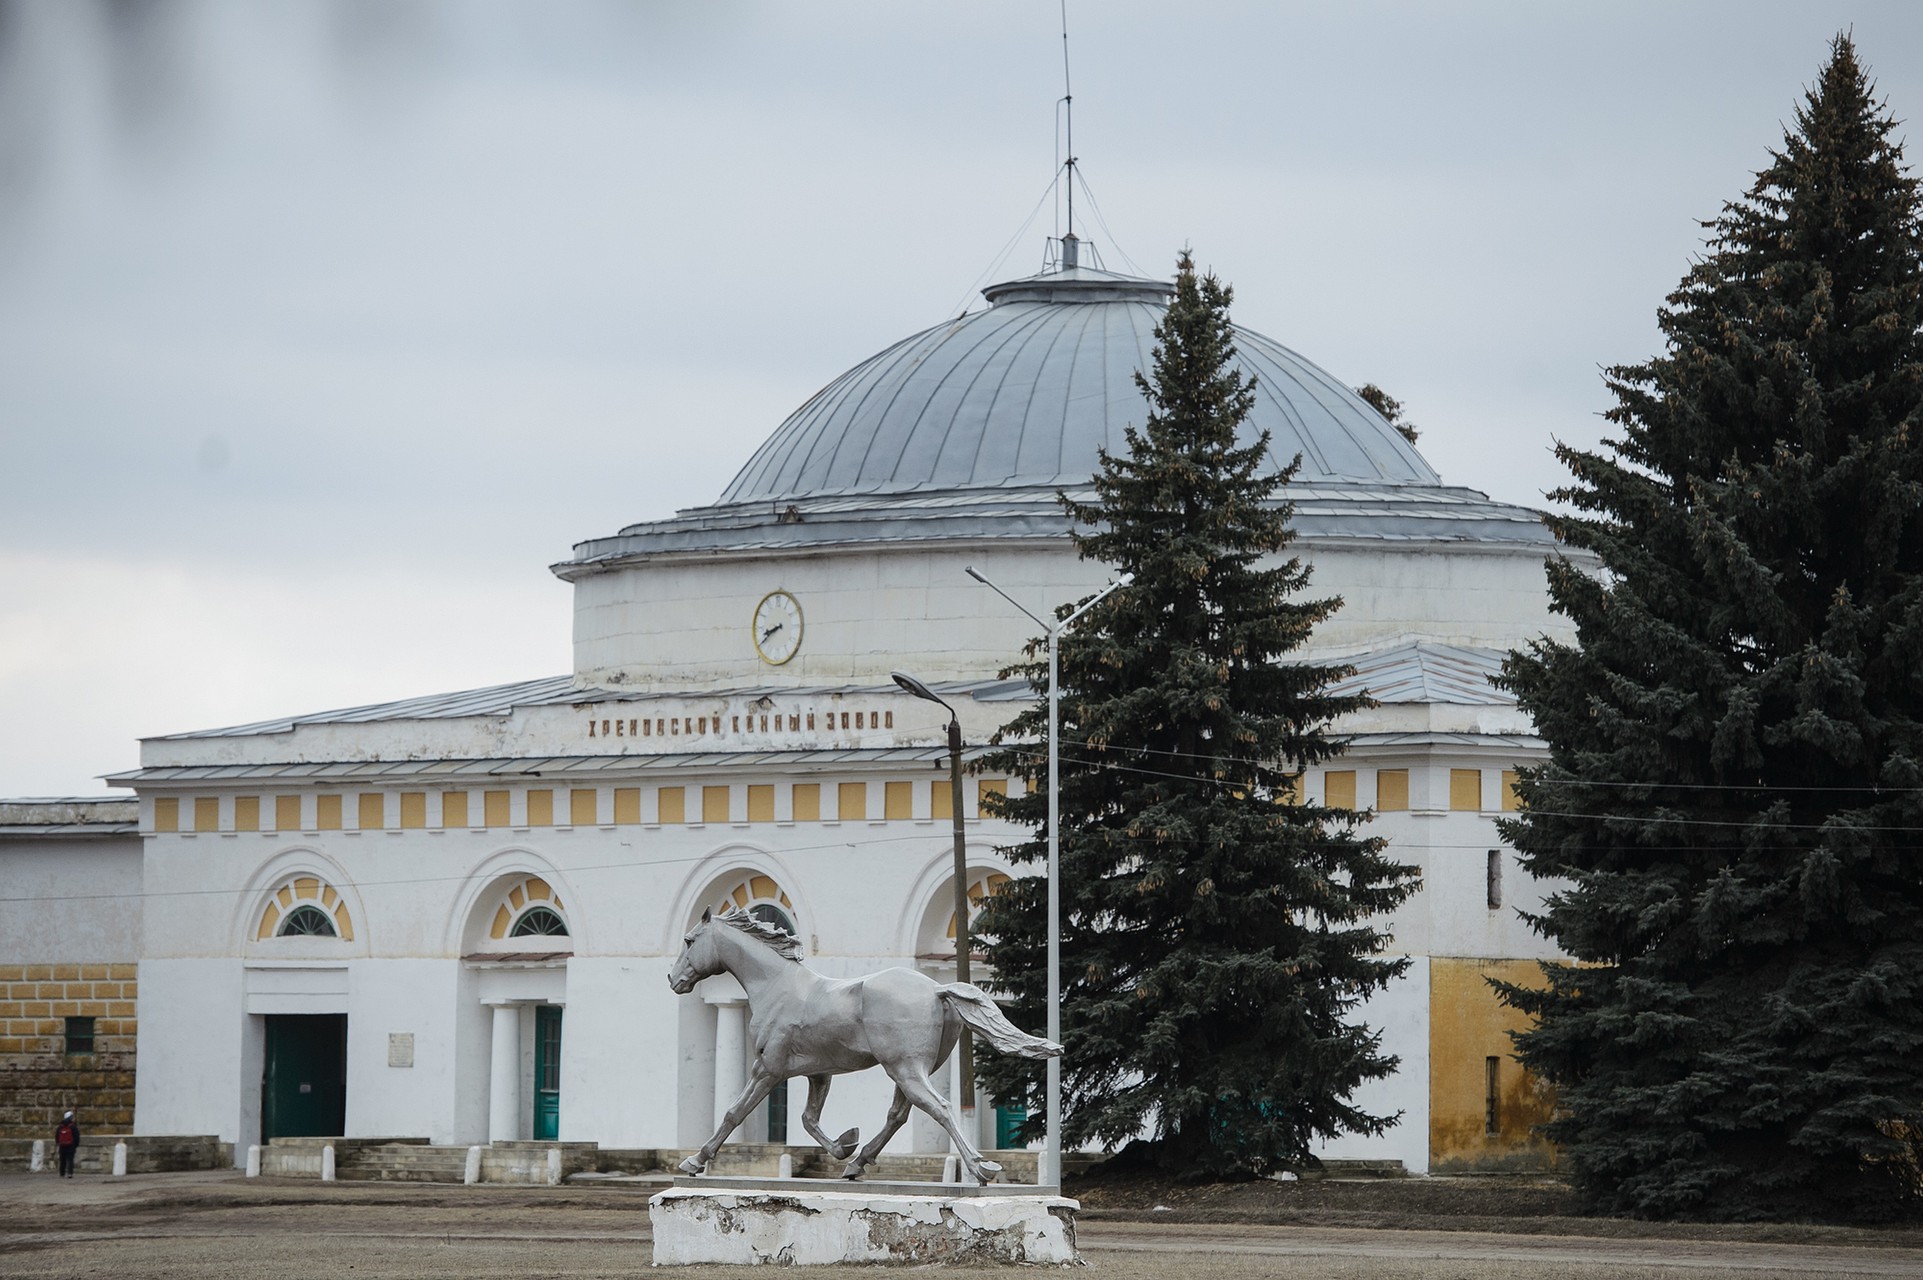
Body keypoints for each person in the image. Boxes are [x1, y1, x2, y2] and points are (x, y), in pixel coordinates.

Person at [54, 1111, 80, 1178]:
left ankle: (62, 1173)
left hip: (62, 1146)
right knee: (70, 1160)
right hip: (71, 1146)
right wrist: (76, 1145)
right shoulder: (73, 1126)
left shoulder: (60, 1126)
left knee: (62, 1160)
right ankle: (70, 1173)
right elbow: (76, 1136)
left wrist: (58, 1143)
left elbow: (57, 1136)